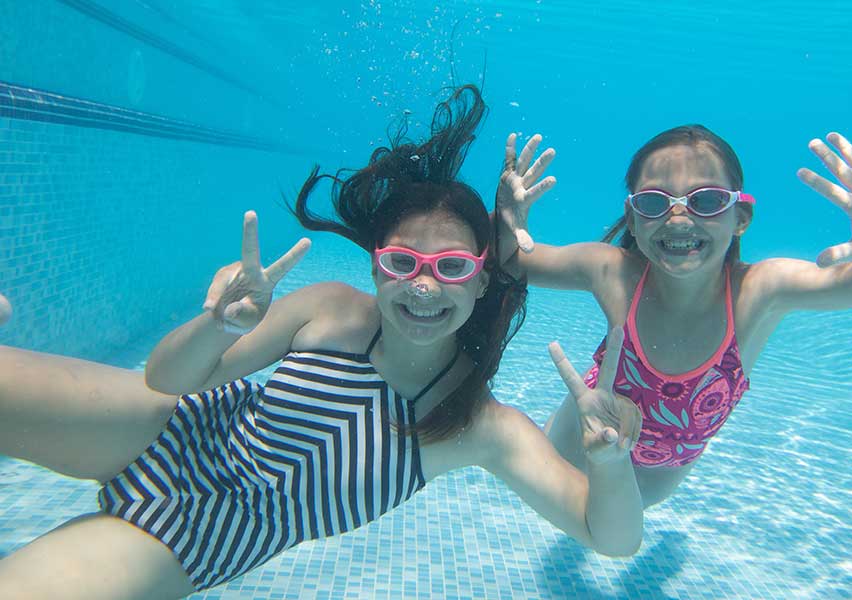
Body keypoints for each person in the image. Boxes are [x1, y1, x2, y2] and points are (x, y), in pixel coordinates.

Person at [0, 85, 643, 599]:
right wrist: (219, 325)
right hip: (165, 426)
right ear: (376, 267)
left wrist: (611, 463)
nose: (424, 286)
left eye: (450, 267)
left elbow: (611, 538)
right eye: (402, 263)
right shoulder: (332, 309)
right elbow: (164, 380)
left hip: (205, 534)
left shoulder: (478, 425)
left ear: (479, 280)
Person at [496, 125, 852, 507]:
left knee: (612, 533)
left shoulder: (761, 291)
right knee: (549, 504)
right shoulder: (612, 272)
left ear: (740, 217)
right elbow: (511, 260)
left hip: (653, 480)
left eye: (705, 201)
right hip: (573, 443)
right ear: (632, 218)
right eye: (654, 203)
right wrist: (505, 218)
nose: (678, 218)